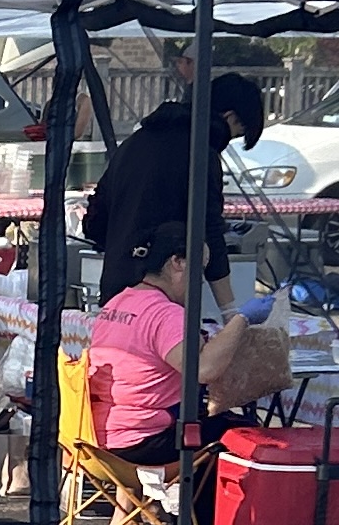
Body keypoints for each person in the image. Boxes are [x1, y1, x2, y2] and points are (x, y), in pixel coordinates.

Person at [86, 220, 262, 494]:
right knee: (244, 433)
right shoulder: (166, 314)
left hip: (97, 438)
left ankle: (129, 513)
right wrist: (242, 319)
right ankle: (208, 518)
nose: (201, 280)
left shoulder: (117, 302)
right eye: (200, 268)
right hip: (143, 442)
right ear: (177, 262)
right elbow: (203, 369)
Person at [83, 72, 265, 307]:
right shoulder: (200, 153)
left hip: (116, 291)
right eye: (236, 133)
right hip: (161, 296)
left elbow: (95, 222)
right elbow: (209, 229)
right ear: (228, 117)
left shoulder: (134, 143)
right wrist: (230, 310)